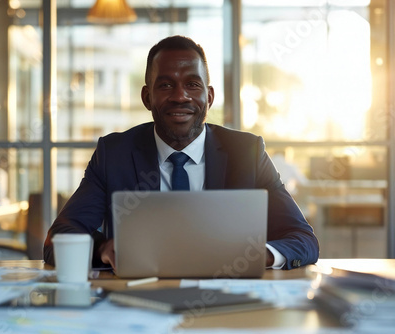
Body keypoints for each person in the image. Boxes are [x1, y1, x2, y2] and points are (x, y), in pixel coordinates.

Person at [44, 35, 319, 270]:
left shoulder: (247, 152)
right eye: (165, 85)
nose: (180, 96)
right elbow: (59, 239)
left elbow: (303, 240)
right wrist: (103, 249)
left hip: (228, 300)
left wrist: (263, 255)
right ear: (147, 97)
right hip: (141, 304)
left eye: (192, 84)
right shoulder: (114, 154)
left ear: (209, 97)